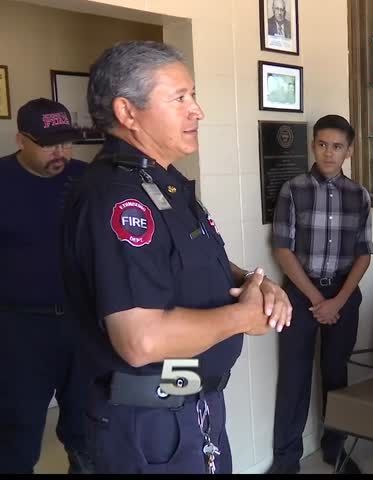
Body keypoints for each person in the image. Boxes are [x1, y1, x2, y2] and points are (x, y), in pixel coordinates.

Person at [60, 40, 292, 474]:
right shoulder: (117, 198)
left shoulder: (164, 182)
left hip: (191, 408)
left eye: (194, 96)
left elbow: (197, 263)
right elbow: (140, 340)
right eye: (180, 98)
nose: (197, 111)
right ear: (128, 112)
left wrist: (257, 283)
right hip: (146, 427)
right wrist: (244, 317)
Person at [268, 114, 373, 475]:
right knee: (294, 376)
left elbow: (364, 253)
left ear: (349, 150)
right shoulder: (293, 189)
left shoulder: (359, 195)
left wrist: (338, 301)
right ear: (313, 145)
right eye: (322, 144)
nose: (329, 153)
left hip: (343, 293)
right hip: (299, 295)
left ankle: (335, 450)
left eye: (337, 146)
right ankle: (285, 460)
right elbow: (283, 249)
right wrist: (316, 300)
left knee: (335, 374)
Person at [0, 98, 93, 474]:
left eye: (67, 142)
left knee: (87, 429)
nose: (61, 152)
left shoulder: (87, 180)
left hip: (82, 324)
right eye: (50, 144)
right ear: (21, 139)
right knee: (17, 432)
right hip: (19, 329)